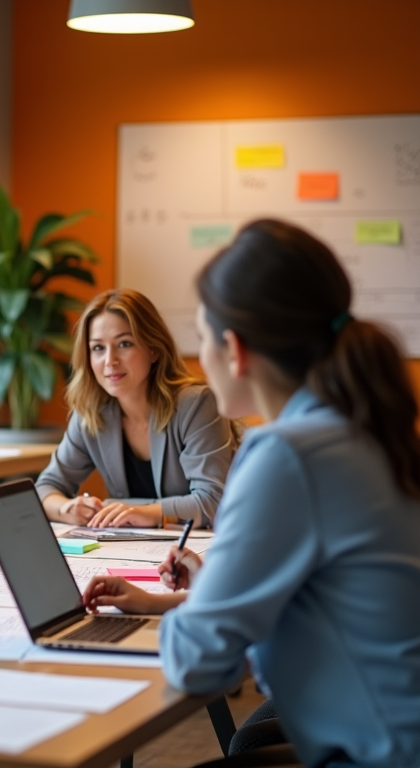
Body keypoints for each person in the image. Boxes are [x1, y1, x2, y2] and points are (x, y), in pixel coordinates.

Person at [83, 220, 420, 768]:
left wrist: (212, 599)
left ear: (234, 349)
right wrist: (210, 592)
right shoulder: (362, 428)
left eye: (202, 338)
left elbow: (199, 664)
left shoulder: (287, 452)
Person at [37, 289, 236, 529]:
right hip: (132, 552)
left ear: (153, 348)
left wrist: (144, 512)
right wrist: (66, 509)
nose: (110, 360)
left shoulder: (197, 404)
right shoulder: (90, 414)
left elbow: (212, 501)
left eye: (124, 344)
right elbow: (45, 488)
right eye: (98, 348)